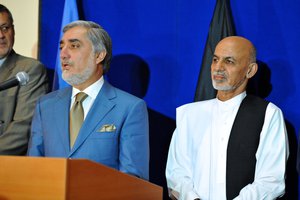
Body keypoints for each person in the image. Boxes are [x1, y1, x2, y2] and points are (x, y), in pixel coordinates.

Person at [165, 36, 289, 199]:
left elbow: (271, 181)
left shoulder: (268, 114)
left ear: (250, 70)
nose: (218, 68)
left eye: (229, 61)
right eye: (215, 60)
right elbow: (176, 173)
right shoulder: (190, 114)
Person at [27, 20, 149, 180]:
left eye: (74, 46)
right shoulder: (45, 105)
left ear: (99, 55)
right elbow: (32, 171)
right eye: (61, 47)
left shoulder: (129, 108)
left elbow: (133, 180)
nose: (63, 54)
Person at [0, 4, 48, 155]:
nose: (1, 35)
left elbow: (23, 128)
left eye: (5, 28)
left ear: (13, 30)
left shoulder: (30, 70)